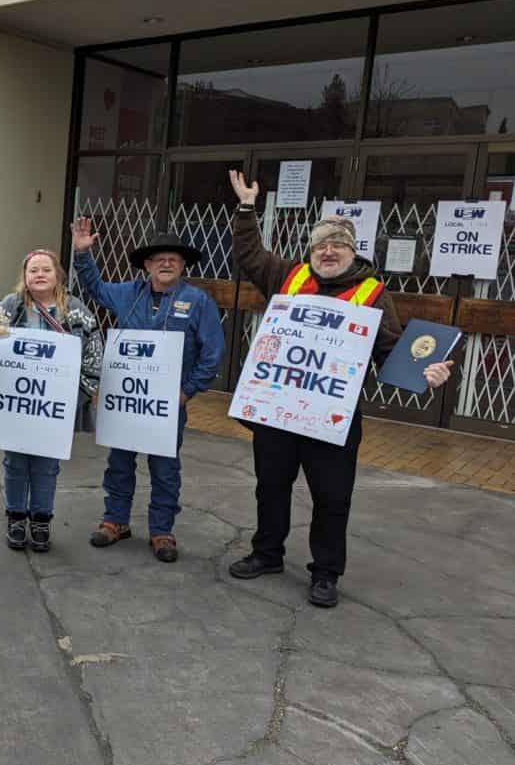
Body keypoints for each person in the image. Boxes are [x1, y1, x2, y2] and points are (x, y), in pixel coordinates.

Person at [226, 170, 453, 607]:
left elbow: (391, 352)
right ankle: (266, 553)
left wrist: (424, 374)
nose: (328, 252)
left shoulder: (373, 293)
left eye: (338, 245)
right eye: (321, 245)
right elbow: (249, 254)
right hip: (278, 411)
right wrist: (247, 208)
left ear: (353, 251)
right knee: (270, 486)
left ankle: (326, 572)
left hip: (333, 418)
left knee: (332, 498)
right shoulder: (288, 276)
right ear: (311, 250)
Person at [71, 220, 225, 562]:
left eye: (173, 258)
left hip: (168, 406)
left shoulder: (198, 301)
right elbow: (94, 288)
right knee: (119, 463)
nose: (166, 263)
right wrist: (83, 253)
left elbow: (213, 353)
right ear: (147, 265)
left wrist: (187, 392)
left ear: (184, 265)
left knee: (165, 469)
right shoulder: (129, 293)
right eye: (159, 259)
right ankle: (115, 521)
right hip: (126, 403)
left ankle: (161, 531)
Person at [0, 250, 102, 552]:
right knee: (15, 463)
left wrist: (78, 396)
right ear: (25, 277)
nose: (40, 275)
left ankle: (42, 519)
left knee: (47, 465)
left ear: (58, 274)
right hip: (18, 404)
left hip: (53, 410)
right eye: (33, 270)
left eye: (46, 269)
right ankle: (16, 517)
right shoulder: (10, 307)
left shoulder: (76, 311)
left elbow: (94, 356)